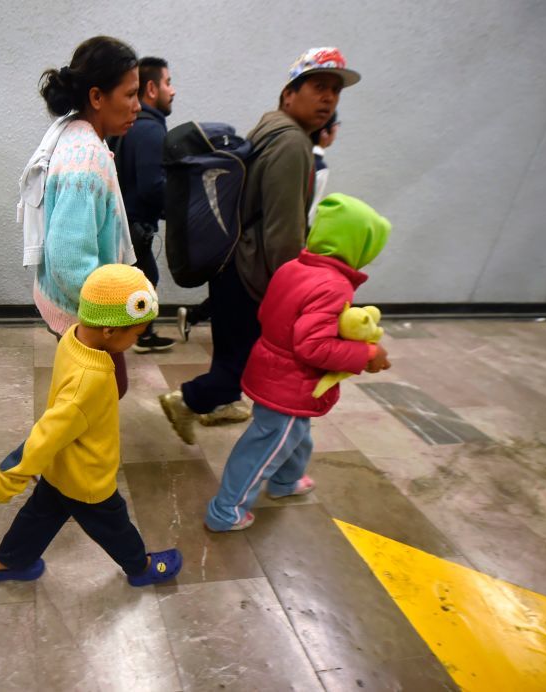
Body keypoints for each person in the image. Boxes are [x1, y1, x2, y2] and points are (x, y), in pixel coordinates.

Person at [160, 47, 360, 443]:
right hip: (252, 272)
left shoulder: (269, 128)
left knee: (232, 352)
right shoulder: (293, 145)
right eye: (319, 87)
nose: (329, 99)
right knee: (244, 363)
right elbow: (284, 232)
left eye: (335, 92)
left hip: (232, 261)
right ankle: (186, 401)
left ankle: (217, 403)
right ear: (289, 93)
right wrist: (291, 296)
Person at [0, 264, 183, 586]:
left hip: (61, 466)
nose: (136, 340)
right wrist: (14, 472)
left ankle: (5, 563)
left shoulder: (73, 337)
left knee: (40, 516)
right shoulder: (92, 379)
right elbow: (51, 430)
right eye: (136, 332)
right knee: (114, 525)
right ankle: (141, 567)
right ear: (109, 331)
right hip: (87, 476)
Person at [205, 194, 391, 531]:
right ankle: (225, 510)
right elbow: (312, 346)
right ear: (358, 246)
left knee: (296, 432)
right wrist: (365, 354)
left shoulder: (294, 267)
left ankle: (286, 481)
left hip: (270, 365)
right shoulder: (334, 286)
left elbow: (269, 314)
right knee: (265, 445)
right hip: (291, 381)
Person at [32, 36, 140, 397]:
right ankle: (29, 456)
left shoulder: (77, 132)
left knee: (88, 397)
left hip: (75, 307)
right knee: (93, 397)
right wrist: (111, 318)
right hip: (86, 315)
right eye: (129, 94)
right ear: (97, 97)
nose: (137, 106)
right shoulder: (86, 158)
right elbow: (68, 260)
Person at [110, 56, 176, 353]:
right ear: (152, 88)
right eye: (168, 83)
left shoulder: (132, 125)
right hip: (137, 222)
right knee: (146, 279)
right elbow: (153, 185)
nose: (173, 91)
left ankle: (138, 332)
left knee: (142, 277)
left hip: (126, 221)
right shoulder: (150, 129)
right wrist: (176, 210)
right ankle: (137, 334)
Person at [308, 111, 339, 227]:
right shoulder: (320, 167)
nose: (337, 129)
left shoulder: (298, 154)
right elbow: (310, 212)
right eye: (336, 125)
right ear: (324, 133)